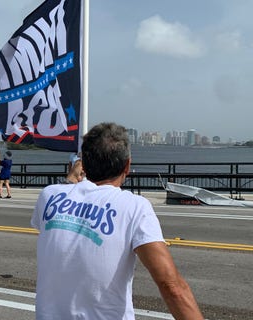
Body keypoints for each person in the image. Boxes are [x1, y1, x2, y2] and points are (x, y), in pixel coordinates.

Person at [30, 122, 203, 319]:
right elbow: (171, 286)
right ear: (127, 165)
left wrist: (71, 177)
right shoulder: (135, 207)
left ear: (83, 165)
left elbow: (64, 194)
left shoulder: (49, 196)